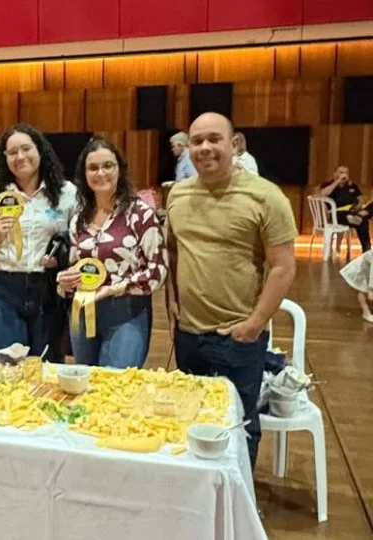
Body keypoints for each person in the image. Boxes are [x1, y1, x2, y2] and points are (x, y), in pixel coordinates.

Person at [167, 112, 297, 469]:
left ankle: (239, 497)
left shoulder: (265, 196)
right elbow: (174, 252)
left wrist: (254, 324)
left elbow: (284, 267)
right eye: (197, 141)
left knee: (240, 426)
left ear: (234, 143)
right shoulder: (178, 194)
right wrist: (172, 301)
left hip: (237, 337)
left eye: (214, 139)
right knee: (191, 419)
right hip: (189, 334)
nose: (204, 148)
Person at [56, 137, 167, 368]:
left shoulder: (140, 214)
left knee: (116, 385)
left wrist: (114, 288)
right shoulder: (79, 220)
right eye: (93, 168)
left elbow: (157, 272)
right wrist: (65, 281)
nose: (101, 173)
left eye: (108, 165)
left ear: (120, 170)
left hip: (126, 314)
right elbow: (76, 267)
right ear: (84, 174)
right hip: (83, 315)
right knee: (85, 383)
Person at [0, 123, 77, 358]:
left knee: (47, 366)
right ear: (5, 158)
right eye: (12, 152)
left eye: (26, 149)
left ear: (40, 150)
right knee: (5, 366)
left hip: (48, 290)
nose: (20, 157)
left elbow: (80, 242)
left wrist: (61, 259)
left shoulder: (67, 193)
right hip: (5, 291)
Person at [318, 165, 370, 253]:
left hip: (352, 212)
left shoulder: (352, 185)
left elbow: (361, 199)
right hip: (334, 214)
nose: (344, 175)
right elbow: (323, 194)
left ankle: (366, 249)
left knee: (363, 220)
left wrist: (358, 206)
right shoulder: (328, 184)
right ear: (335, 173)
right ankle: (351, 218)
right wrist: (338, 181)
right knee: (349, 216)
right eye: (341, 172)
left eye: (346, 173)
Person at [340, 249, 373, 323]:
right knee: (361, 289)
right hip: (360, 270)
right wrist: (371, 289)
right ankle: (366, 312)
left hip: (367, 269)